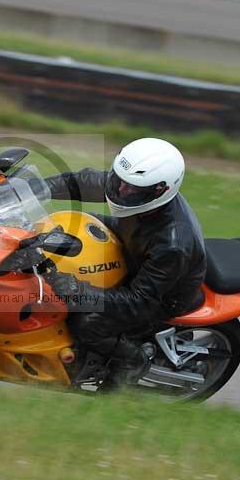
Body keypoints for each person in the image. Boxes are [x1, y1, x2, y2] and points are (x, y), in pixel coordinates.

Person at [43, 138, 206, 383]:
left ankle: (131, 361)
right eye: (120, 182)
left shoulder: (172, 244)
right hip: (132, 243)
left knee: (87, 322)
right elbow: (86, 182)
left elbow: (138, 302)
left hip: (160, 297)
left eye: (133, 189)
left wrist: (80, 290)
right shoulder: (133, 189)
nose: (121, 191)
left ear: (160, 190)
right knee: (69, 225)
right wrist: (34, 187)